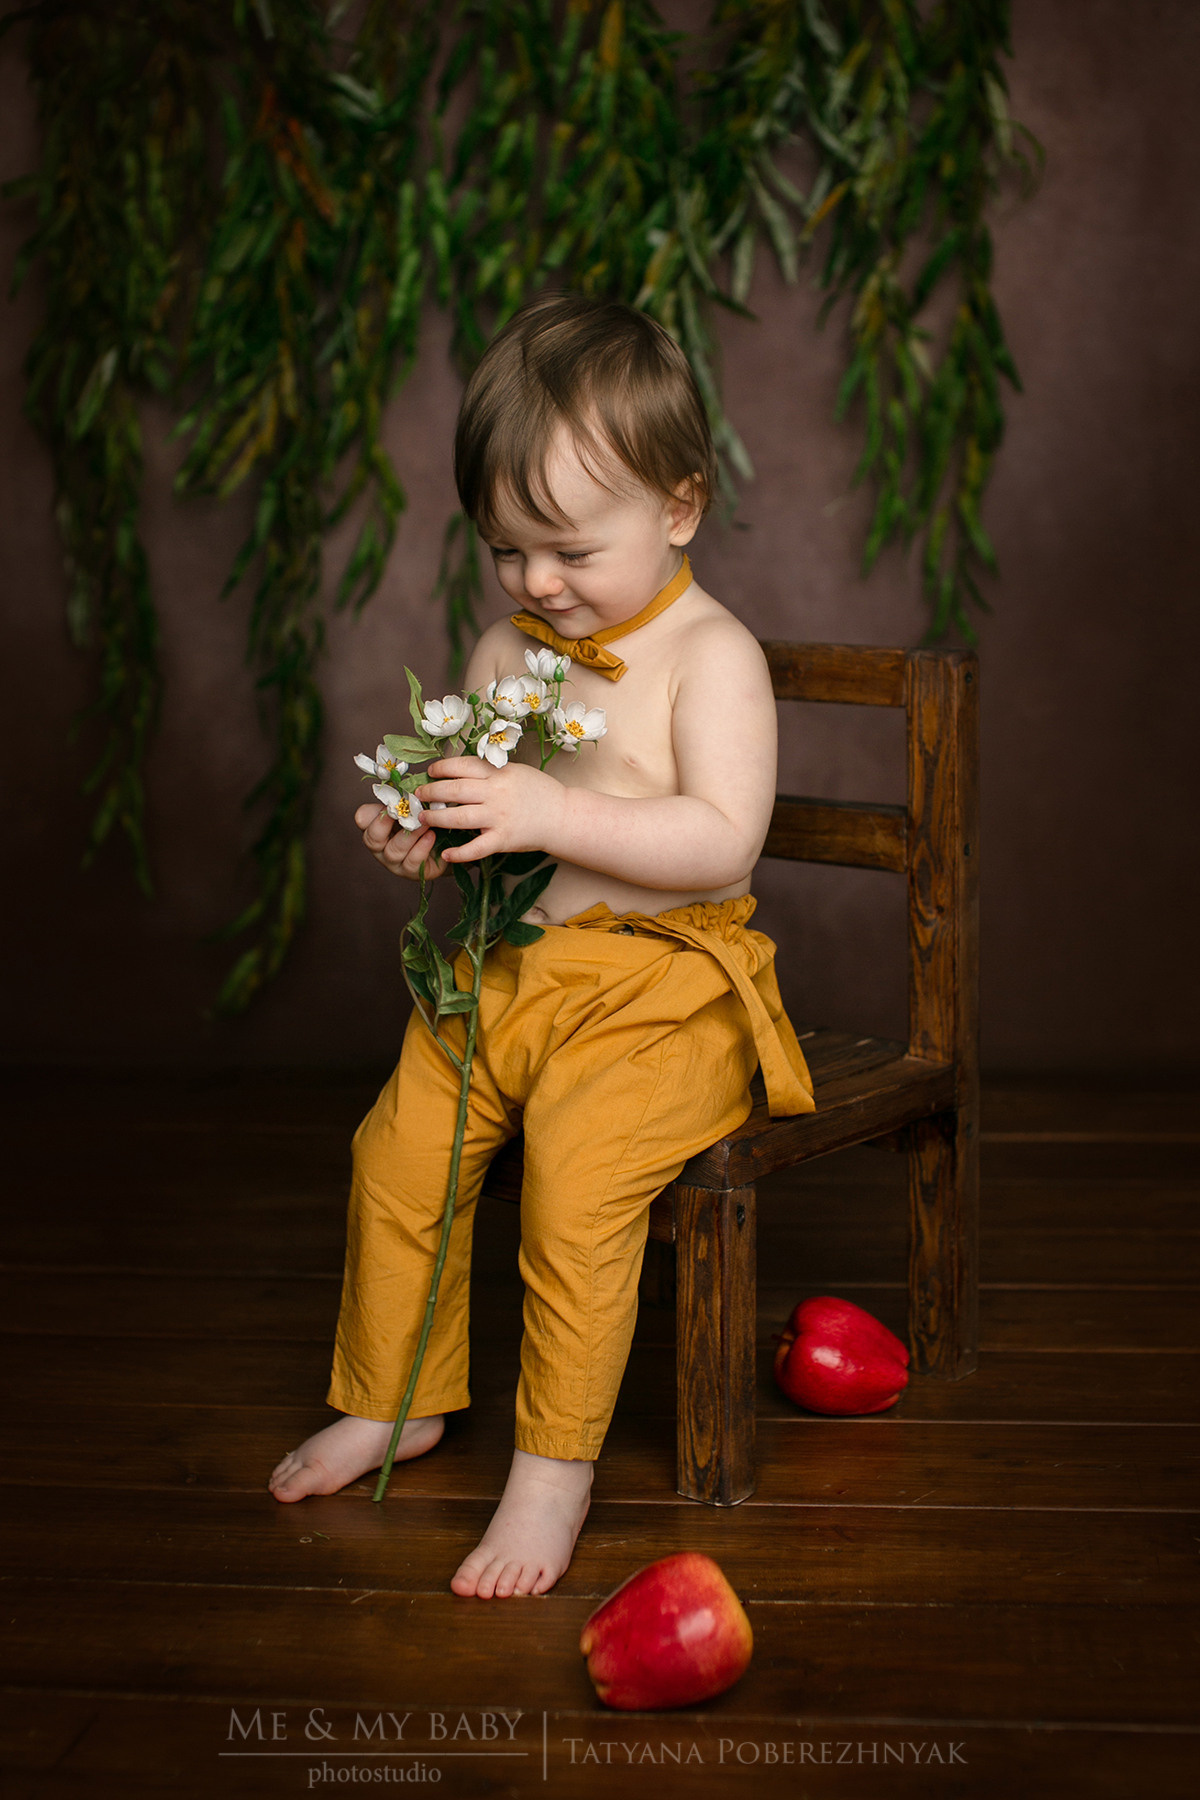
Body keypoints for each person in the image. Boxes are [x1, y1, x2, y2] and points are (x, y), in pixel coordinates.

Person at [268, 293, 815, 1597]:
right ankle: (396, 1396)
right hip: (510, 973)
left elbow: (726, 841)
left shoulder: (709, 656)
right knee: (398, 1154)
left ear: (678, 508)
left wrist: (553, 807)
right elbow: (506, 829)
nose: (535, 585)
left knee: (576, 1194)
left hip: (662, 991)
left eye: (567, 550)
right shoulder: (510, 644)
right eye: (507, 551)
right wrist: (436, 826)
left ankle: (553, 1472)